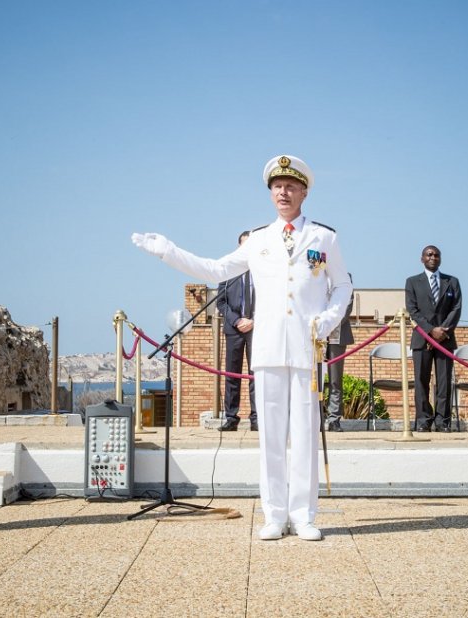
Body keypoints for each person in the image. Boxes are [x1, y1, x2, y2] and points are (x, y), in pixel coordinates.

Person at [132, 155, 351, 542]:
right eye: (277, 187)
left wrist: (328, 320)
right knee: (271, 437)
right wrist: (169, 251)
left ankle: (303, 515)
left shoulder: (324, 238)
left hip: (306, 348)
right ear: (270, 193)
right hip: (267, 348)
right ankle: (274, 514)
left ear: (304, 192)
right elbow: (216, 270)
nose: (283, 193)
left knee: (304, 435)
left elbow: (343, 285)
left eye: (291, 186)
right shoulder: (258, 240)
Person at [405, 246, 462, 431]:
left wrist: (441, 333)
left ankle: (442, 421)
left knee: (444, 383)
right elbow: (413, 310)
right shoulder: (412, 282)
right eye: (429, 255)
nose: (433, 257)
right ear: (422, 258)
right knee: (421, 382)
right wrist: (430, 331)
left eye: (436, 255)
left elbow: (456, 309)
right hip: (422, 339)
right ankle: (423, 421)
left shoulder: (452, 282)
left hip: (445, 339)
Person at [216, 230, 256, 432]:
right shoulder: (228, 270)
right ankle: (231, 417)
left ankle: (257, 418)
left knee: (256, 374)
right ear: (239, 247)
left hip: (257, 329)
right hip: (234, 329)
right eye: (244, 244)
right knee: (232, 375)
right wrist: (237, 320)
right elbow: (220, 302)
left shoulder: (263, 270)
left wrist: (254, 320)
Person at [325, 273, 354, 432]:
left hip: (338, 334)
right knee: (315, 379)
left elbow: (347, 305)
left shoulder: (344, 276)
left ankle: (334, 419)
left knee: (335, 380)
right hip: (316, 334)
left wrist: (331, 323)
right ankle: (315, 417)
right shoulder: (315, 275)